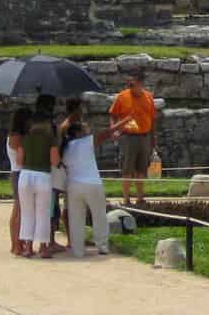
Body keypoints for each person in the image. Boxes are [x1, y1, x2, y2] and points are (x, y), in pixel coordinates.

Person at [54, 98, 109, 258]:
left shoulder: (67, 144)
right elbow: (106, 134)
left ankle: (77, 248)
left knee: (75, 217)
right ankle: (102, 245)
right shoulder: (79, 137)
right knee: (98, 215)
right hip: (91, 183)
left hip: (73, 184)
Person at [102, 69, 157, 207]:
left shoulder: (149, 97)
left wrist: (153, 140)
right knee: (127, 170)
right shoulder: (122, 96)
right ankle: (126, 200)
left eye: (133, 84)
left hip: (144, 137)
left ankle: (140, 199)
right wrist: (114, 129)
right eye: (129, 84)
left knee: (141, 170)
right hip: (128, 137)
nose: (130, 87)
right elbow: (113, 115)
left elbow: (152, 120)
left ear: (141, 84)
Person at [15, 96, 57, 258]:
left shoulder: (25, 138)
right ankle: (44, 247)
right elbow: (54, 160)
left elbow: (19, 160)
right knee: (43, 213)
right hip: (43, 175)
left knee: (27, 212)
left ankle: (27, 247)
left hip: (25, 175)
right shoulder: (50, 139)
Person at [5, 109, 25, 256]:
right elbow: (21, 159)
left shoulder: (14, 136)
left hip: (17, 172)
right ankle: (16, 244)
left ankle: (17, 242)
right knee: (18, 210)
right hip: (19, 172)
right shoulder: (16, 137)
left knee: (19, 210)